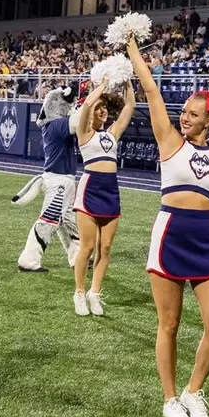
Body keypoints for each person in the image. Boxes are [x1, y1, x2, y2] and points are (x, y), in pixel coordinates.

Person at [128, 36, 209, 417]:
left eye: (195, 114)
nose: (186, 117)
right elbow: (151, 89)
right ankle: (169, 398)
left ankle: (194, 391)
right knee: (170, 324)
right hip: (171, 235)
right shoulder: (169, 142)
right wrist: (130, 44)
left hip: (208, 241)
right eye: (185, 111)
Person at [72, 80, 136, 315]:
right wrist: (103, 84)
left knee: (105, 247)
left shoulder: (111, 135)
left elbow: (129, 107)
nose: (102, 110)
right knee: (86, 248)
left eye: (105, 108)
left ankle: (95, 292)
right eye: (99, 108)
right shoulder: (84, 132)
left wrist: (127, 79)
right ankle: (79, 293)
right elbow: (88, 102)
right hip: (90, 190)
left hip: (111, 190)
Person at [16, 88, 81, 272]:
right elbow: (76, 123)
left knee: (69, 222)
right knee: (49, 219)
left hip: (64, 179)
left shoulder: (54, 125)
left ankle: (79, 257)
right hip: (58, 180)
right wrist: (82, 106)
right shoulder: (56, 125)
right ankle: (29, 260)